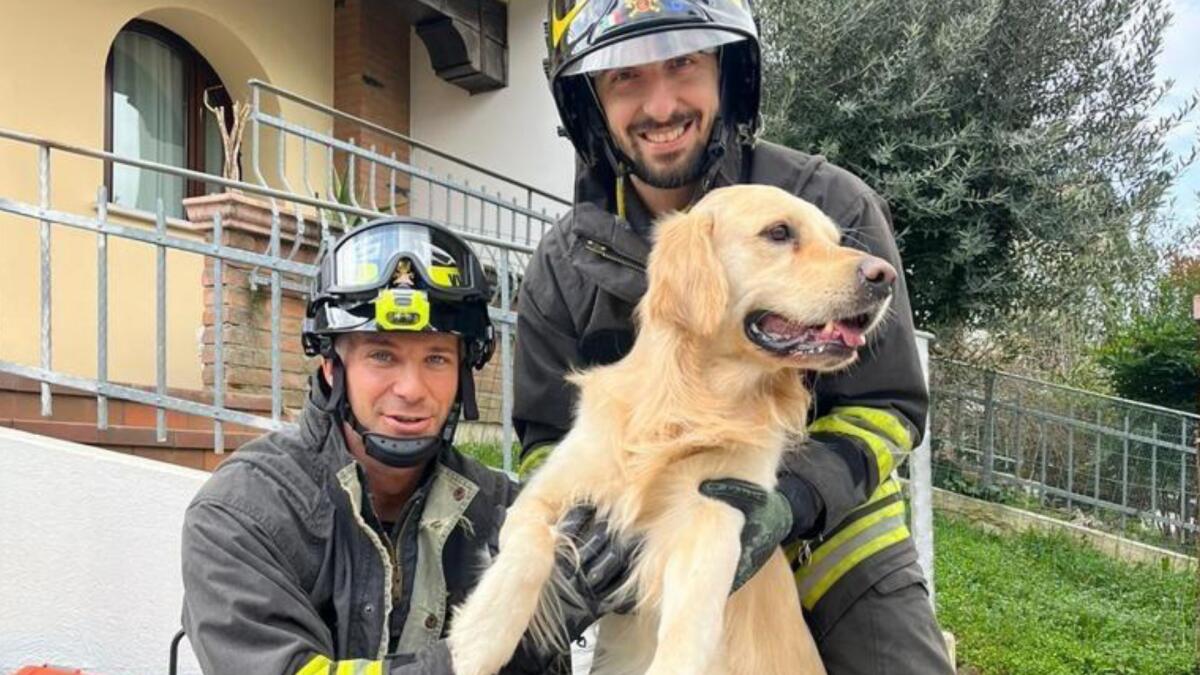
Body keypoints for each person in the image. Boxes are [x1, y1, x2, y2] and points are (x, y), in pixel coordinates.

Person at [514, 1, 955, 672]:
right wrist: (585, 530)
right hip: (658, 541)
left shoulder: (829, 205)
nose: (660, 104)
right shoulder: (559, 270)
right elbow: (543, 441)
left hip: (832, 538)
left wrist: (790, 502)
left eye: (683, 64)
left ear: (727, 73)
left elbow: (890, 408)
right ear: (590, 104)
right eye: (625, 78)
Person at [180, 216, 786, 674]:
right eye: (382, 355)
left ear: (465, 374)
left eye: (436, 358)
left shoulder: (501, 510)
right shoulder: (243, 513)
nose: (411, 389)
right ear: (332, 368)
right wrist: (486, 642)